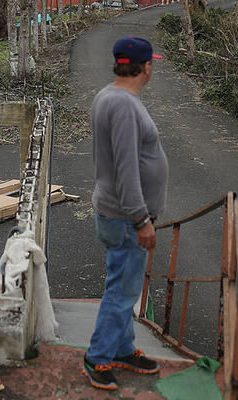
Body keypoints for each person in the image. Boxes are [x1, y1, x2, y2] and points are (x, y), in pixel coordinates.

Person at [82, 36, 169, 391]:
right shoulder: (124, 106)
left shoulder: (109, 96)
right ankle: (97, 357)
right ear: (145, 67)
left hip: (117, 212)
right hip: (125, 216)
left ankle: (120, 347)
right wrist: (141, 220)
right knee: (122, 291)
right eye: (152, 63)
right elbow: (126, 169)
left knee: (122, 285)